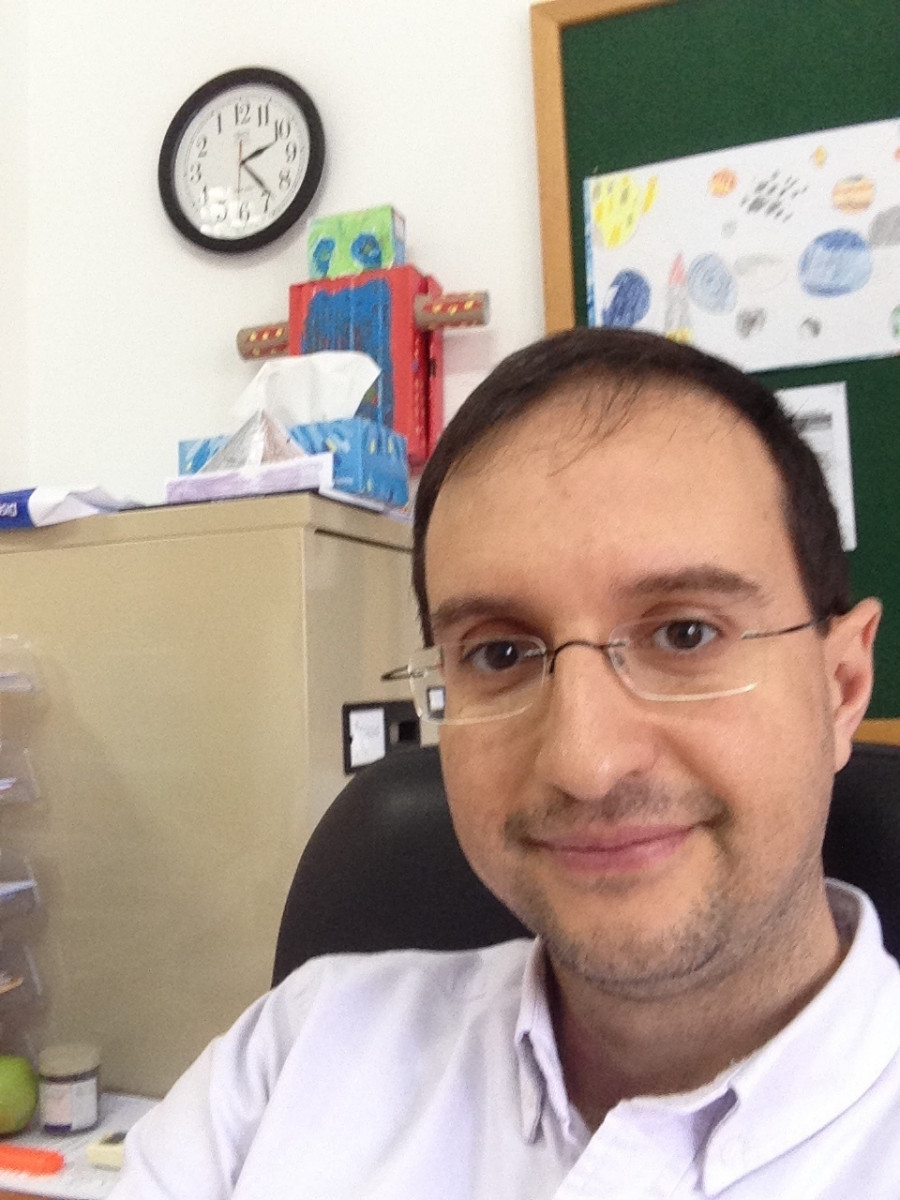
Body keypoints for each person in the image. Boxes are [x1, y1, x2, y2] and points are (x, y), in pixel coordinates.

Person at [114, 328, 896, 1199]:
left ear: (841, 687)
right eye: (499, 654)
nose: (585, 763)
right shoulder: (293, 1058)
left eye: (685, 634)